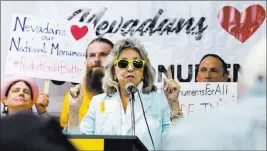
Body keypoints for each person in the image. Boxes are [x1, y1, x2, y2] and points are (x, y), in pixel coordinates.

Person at [63, 38, 181, 150]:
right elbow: (78, 145)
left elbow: (176, 145)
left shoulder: (159, 101)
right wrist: (74, 109)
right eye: (123, 63)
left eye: (137, 63)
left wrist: (174, 103)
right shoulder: (98, 102)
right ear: (114, 71)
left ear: (143, 71)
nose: (130, 68)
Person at [164, 38, 266, 150]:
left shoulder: (241, 103)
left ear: (225, 77)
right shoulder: (178, 101)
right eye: (203, 70)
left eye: (214, 70)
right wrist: (174, 104)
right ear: (197, 76)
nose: (207, 75)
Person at [60, 37, 114, 128]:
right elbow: (66, 133)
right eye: (92, 55)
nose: (97, 59)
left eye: (103, 54)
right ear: (86, 60)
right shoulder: (74, 95)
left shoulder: (125, 95)